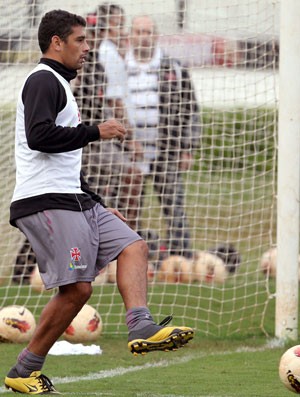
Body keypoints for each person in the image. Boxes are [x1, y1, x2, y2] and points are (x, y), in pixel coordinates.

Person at [4, 10, 193, 395]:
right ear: (56, 42)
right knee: (77, 290)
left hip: (73, 196)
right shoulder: (42, 80)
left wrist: (98, 201)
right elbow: (39, 137)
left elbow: (66, 163)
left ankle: (141, 326)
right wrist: (97, 131)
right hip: (45, 201)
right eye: (80, 40)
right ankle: (25, 369)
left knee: (134, 245)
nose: (88, 48)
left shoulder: (59, 83)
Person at [125, 15, 201, 259]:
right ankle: (121, 260)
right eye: (138, 32)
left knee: (174, 209)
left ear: (155, 35)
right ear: (131, 36)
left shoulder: (174, 68)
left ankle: (182, 260)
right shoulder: (118, 67)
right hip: (128, 155)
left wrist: (187, 147)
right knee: (126, 210)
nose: (143, 37)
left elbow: (191, 109)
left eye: (147, 32)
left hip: (165, 152)